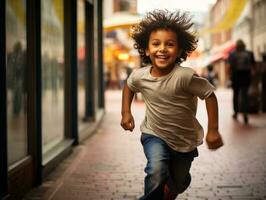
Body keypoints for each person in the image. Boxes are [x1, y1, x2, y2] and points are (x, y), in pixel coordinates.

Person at [120, 10, 223, 200]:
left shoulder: (185, 76)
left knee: (179, 182)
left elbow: (209, 94)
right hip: (154, 134)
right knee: (157, 170)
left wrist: (213, 130)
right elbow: (129, 86)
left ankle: (174, 185)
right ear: (146, 49)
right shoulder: (140, 76)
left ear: (180, 50)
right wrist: (126, 112)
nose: (162, 49)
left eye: (170, 44)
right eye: (156, 44)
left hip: (184, 141)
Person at [227, 39, 255, 124]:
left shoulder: (232, 54)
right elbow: (253, 66)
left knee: (236, 94)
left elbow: (229, 67)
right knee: (245, 95)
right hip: (246, 75)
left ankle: (236, 112)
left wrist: (230, 76)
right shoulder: (249, 53)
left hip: (236, 76)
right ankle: (245, 113)